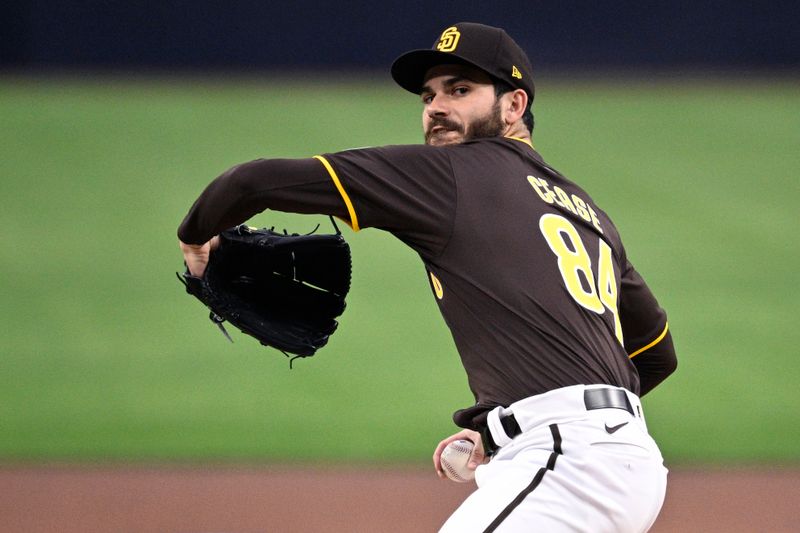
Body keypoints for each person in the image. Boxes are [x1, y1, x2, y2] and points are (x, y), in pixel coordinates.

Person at [178, 22, 677, 532]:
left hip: (567, 467)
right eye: (428, 95)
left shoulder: (453, 175)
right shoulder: (586, 212)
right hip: (623, 459)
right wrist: (504, 428)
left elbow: (250, 181)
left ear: (514, 106)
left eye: (460, 90)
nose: (437, 107)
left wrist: (195, 238)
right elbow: (655, 351)